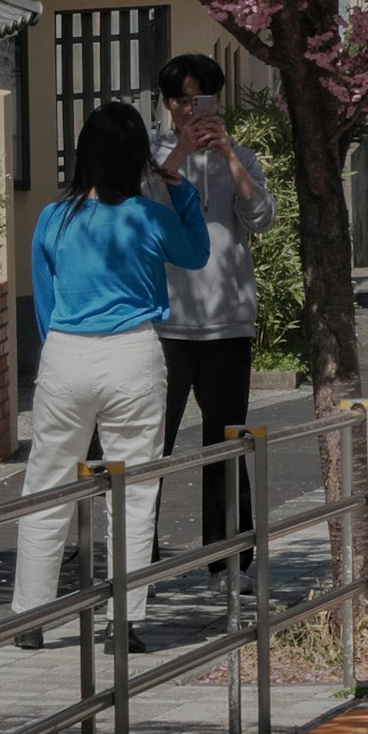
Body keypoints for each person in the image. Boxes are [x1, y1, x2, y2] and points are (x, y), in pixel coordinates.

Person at [10, 99, 210, 644]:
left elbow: (46, 304)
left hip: (66, 353)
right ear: (138, 159)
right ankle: (124, 622)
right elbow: (195, 254)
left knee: (47, 483)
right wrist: (181, 190)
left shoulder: (54, 217)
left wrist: (63, 351)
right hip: (132, 355)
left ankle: (30, 620)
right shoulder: (149, 215)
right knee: (134, 490)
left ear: (83, 154)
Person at [153, 56, 275, 575]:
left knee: (225, 442)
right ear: (166, 102)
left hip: (227, 322)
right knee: (150, 445)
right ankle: (140, 561)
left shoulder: (240, 157)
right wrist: (181, 152)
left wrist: (227, 155)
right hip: (164, 324)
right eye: (181, 100)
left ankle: (229, 563)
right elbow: (149, 210)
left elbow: (262, 219)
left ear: (217, 102)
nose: (189, 110)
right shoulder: (151, 159)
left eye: (199, 100)